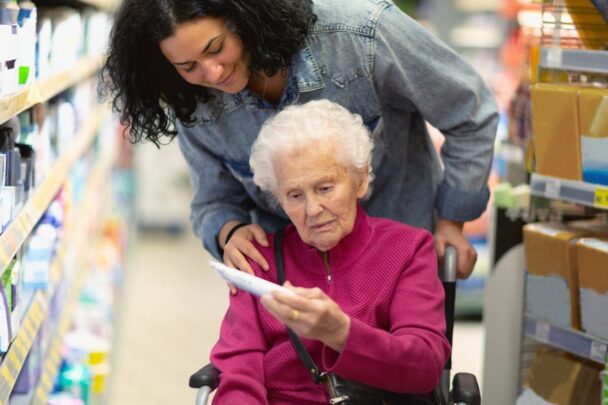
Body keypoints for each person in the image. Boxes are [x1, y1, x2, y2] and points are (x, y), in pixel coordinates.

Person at [102, 0, 498, 279]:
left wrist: (452, 223)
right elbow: (213, 200)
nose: (214, 72)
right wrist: (229, 232)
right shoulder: (194, 101)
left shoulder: (361, 36)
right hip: (295, 290)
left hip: (402, 271)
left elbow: (470, 111)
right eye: (188, 66)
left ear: (243, 14)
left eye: (217, 48)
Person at [210, 99, 450, 404]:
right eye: (295, 195)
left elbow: (424, 367)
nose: (312, 210)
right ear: (278, 199)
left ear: (360, 180)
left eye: (324, 188)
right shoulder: (258, 260)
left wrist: (341, 333)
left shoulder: (407, 249)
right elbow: (238, 374)